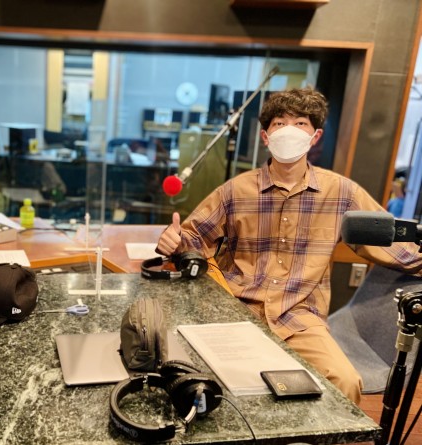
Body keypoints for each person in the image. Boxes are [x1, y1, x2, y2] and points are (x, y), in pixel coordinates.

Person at [157, 87, 422, 405]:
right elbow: (192, 239)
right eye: (280, 123)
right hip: (236, 309)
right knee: (195, 382)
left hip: (300, 316)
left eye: (300, 124)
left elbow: (396, 245)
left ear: (315, 136)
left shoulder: (342, 193)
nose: (289, 131)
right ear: (266, 136)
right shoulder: (235, 190)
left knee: (345, 381)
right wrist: (174, 241)